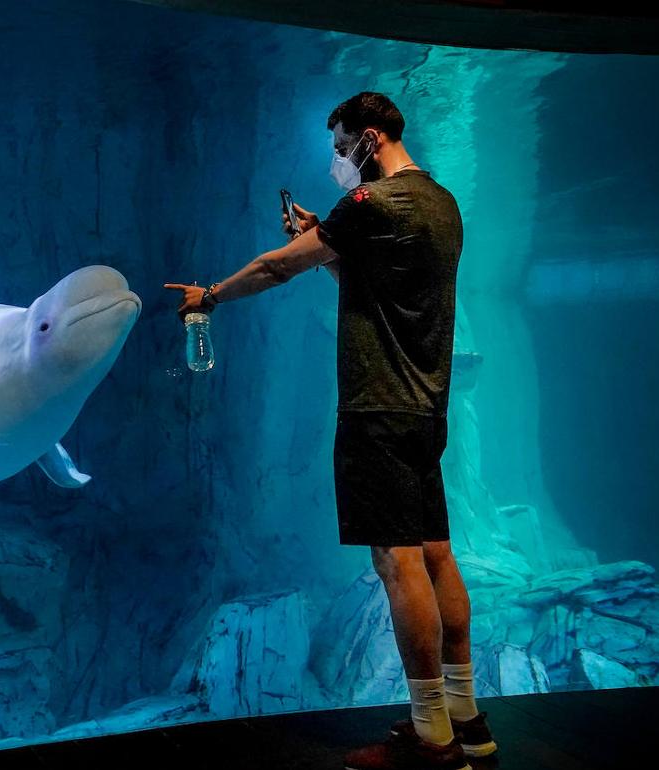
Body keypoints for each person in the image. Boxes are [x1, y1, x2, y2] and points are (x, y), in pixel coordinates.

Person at [165, 92, 495, 770]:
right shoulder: (441, 204)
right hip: (425, 407)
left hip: (377, 407)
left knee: (396, 561)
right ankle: (467, 719)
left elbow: (276, 266)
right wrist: (328, 238)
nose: (337, 162)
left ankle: (431, 737)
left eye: (342, 146)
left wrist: (212, 297)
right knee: (437, 553)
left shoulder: (370, 206)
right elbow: (380, 284)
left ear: (370, 138)